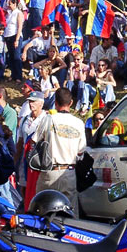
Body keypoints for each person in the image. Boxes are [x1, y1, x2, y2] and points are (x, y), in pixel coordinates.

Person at [34, 88, 87, 217]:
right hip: (68, 172)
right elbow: (81, 151)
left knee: (41, 210)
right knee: (70, 212)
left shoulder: (48, 119)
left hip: (49, 171)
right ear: (71, 103)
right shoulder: (79, 123)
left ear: (55, 103)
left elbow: (35, 141)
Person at [3, 0, 25, 82]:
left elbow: (19, 27)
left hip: (15, 35)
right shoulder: (9, 14)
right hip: (8, 36)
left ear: (15, 4)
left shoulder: (18, 13)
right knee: (11, 56)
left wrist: (17, 39)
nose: (9, 6)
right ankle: (13, 74)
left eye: (10, 4)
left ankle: (19, 76)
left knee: (16, 56)